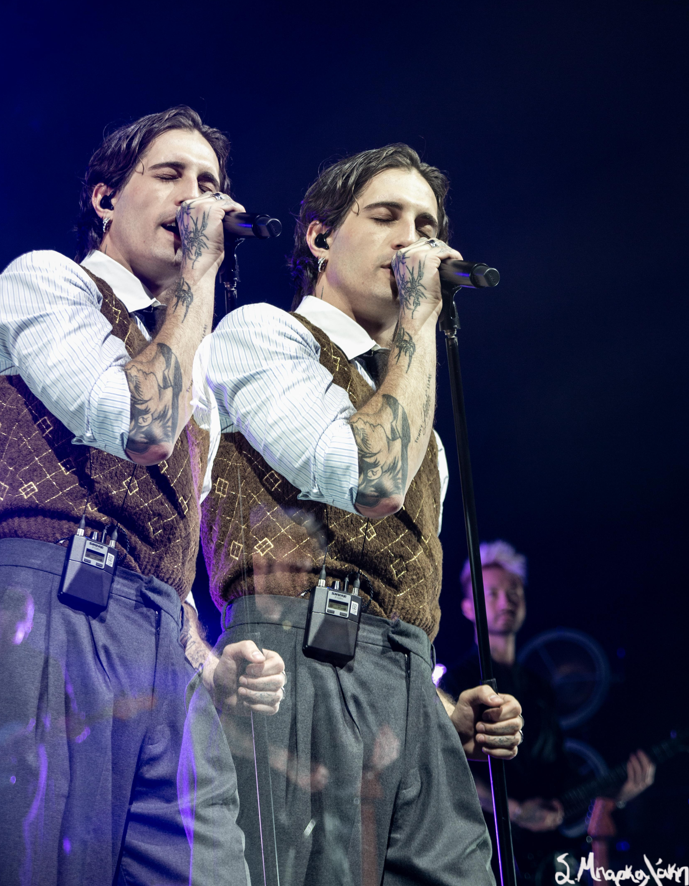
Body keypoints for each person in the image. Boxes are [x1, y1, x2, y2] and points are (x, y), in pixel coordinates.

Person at [192, 144, 524, 886]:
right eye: (386, 217)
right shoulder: (261, 336)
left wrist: (444, 707)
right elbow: (366, 474)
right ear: (319, 238)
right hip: (293, 670)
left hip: (409, 691)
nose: (413, 241)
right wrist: (420, 317)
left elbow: (391, 593)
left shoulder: (422, 430)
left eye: (427, 226)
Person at [0, 105, 284, 886]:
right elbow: (139, 424)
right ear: (105, 198)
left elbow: (169, 549)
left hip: (161, 648)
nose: (195, 198)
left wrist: (208, 665)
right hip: (48, 613)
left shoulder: (193, 364)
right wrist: (199, 274)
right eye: (169, 175)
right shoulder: (48, 281)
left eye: (209, 184)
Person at [440, 540, 655, 879]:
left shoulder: (540, 687)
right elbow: (449, 771)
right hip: (486, 856)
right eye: (492, 593)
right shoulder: (456, 683)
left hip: (547, 858)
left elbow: (560, 772)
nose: (506, 601)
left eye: (514, 591)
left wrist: (614, 792)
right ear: (468, 607)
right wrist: (515, 811)